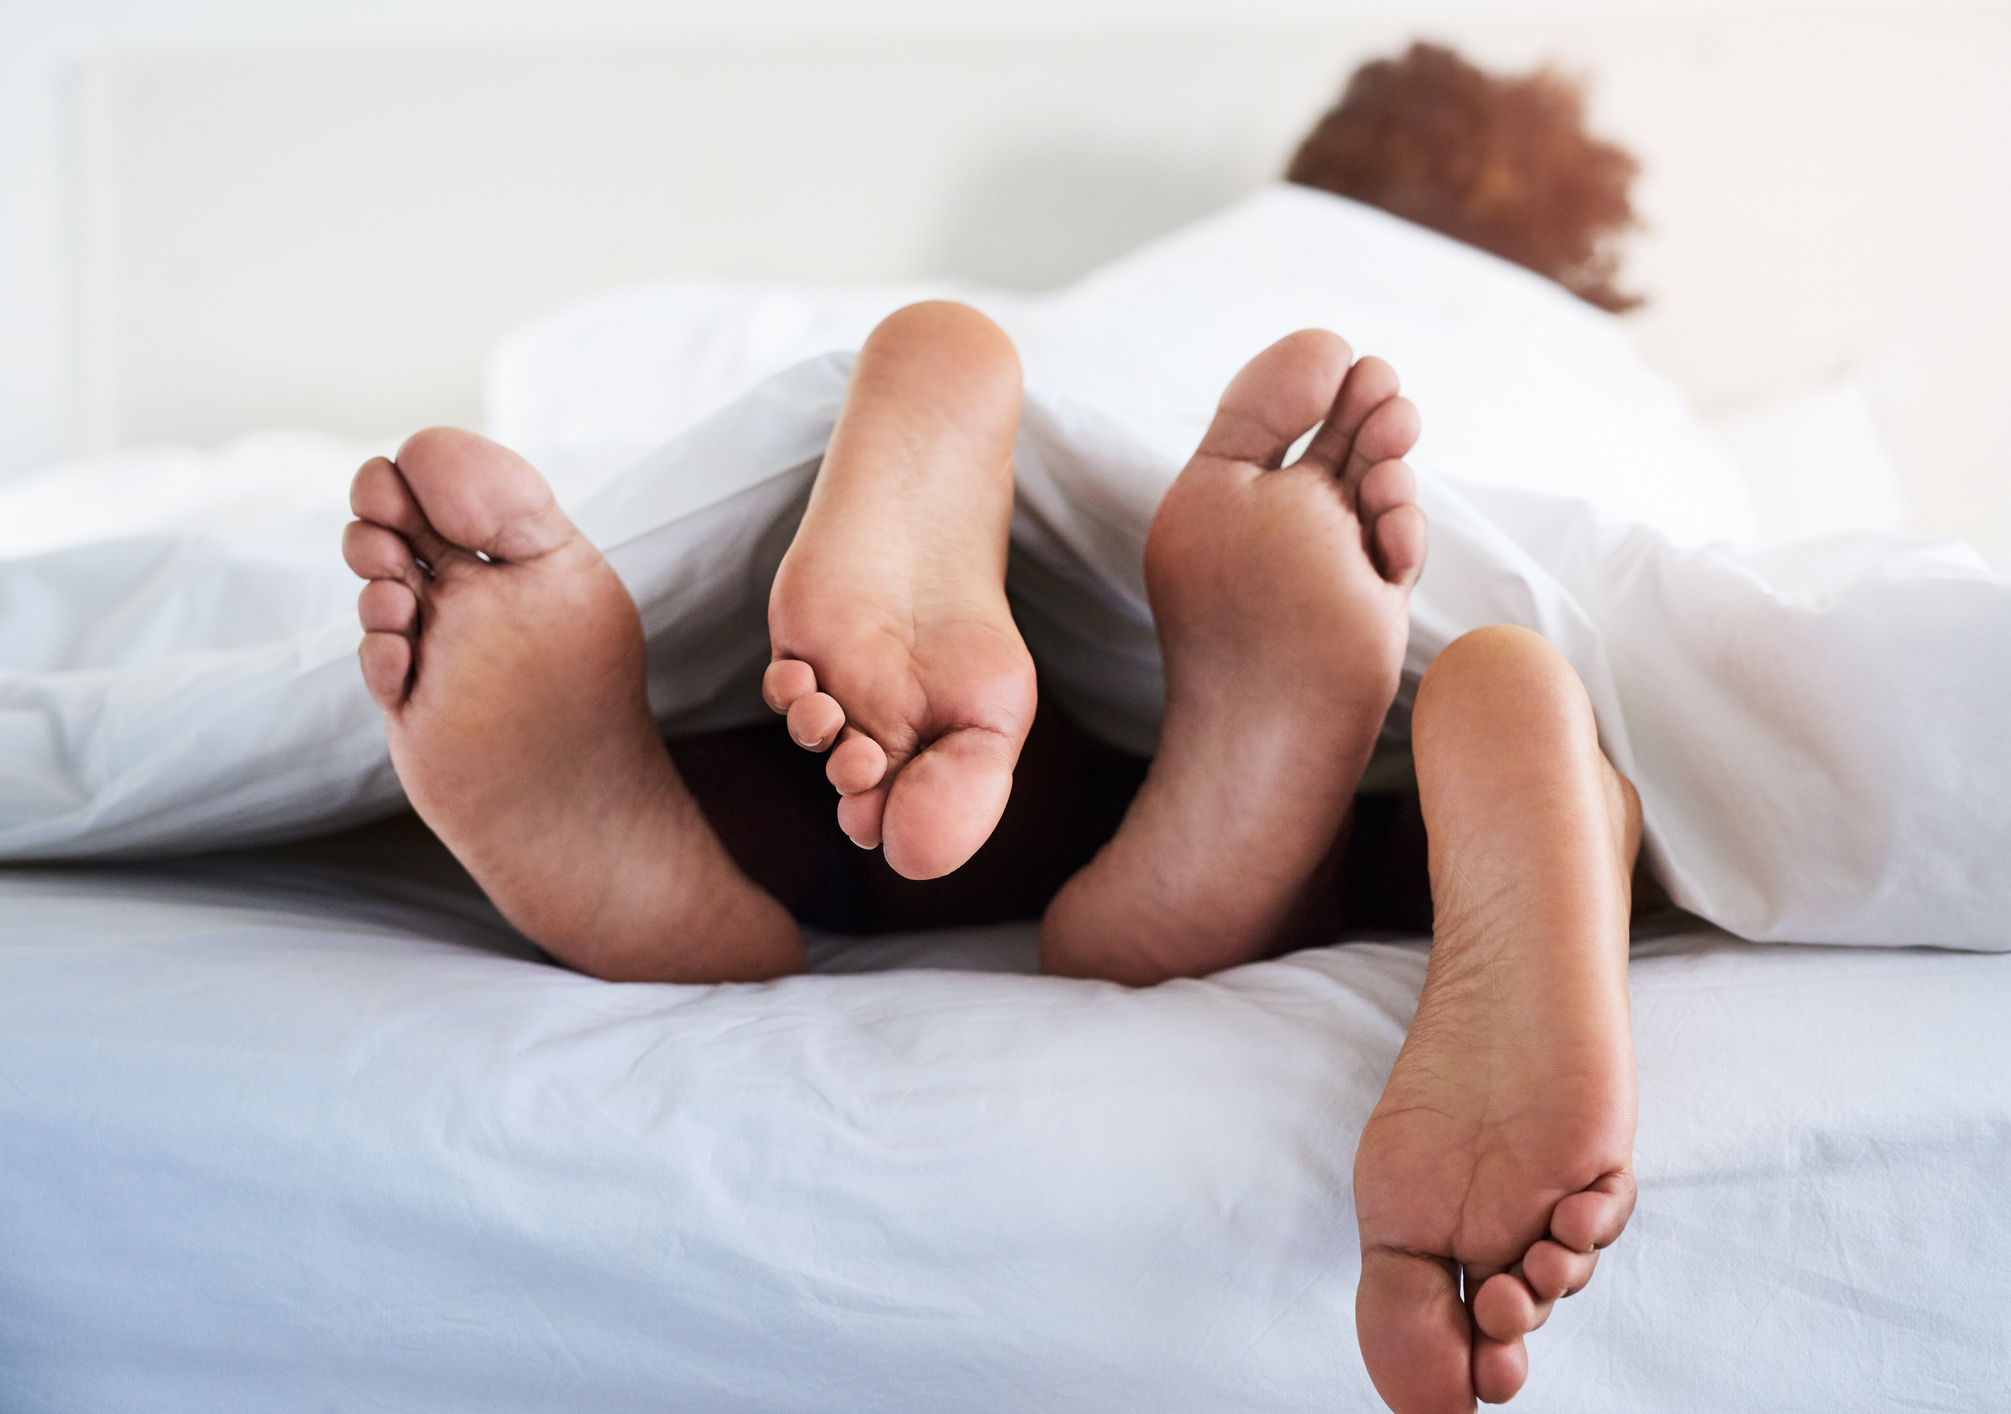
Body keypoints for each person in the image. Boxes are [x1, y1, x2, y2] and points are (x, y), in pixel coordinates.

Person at [343, 295, 1640, 1411]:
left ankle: (659, 839)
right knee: (1431, 807)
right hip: (1283, 774)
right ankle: (1510, 795)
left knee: (861, 773)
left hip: (1013, 785)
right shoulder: (1556, 341)